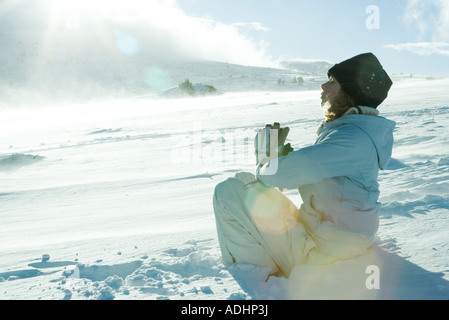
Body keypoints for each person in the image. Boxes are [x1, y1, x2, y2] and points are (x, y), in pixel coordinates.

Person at [212, 52, 396, 277]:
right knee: (244, 181)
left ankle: (255, 273)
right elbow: (297, 175)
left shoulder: (352, 139)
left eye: (332, 82)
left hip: (324, 252)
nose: (323, 86)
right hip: (326, 235)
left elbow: (274, 176)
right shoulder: (351, 133)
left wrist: (268, 159)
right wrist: (280, 163)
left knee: (227, 192)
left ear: (350, 93)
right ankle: (269, 258)